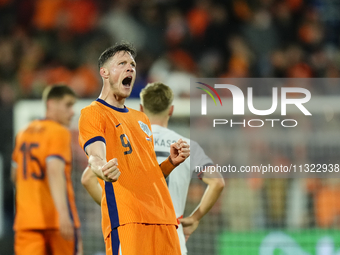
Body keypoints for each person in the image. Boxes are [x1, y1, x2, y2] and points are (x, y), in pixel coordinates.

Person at [79, 42, 190, 255]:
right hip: (129, 220)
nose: (130, 68)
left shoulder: (141, 118)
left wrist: (170, 163)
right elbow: (94, 155)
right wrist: (101, 168)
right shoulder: (93, 113)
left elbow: (148, 174)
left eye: (132, 64)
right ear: (104, 72)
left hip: (164, 218)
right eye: (122, 63)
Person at [139, 82, 225, 255]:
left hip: (133, 236)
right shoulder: (187, 146)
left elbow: (89, 179)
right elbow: (217, 182)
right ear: (171, 110)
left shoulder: (126, 142)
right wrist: (195, 218)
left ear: (141, 108)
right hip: (171, 238)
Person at [11, 85, 82, 255]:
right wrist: (63, 214)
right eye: (68, 105)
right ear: (51, 104)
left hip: (26, 222)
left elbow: (15, 176)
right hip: (57, 222)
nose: (72, 112)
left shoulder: (23, 133)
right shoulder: (59, 132)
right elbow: (54, 171)